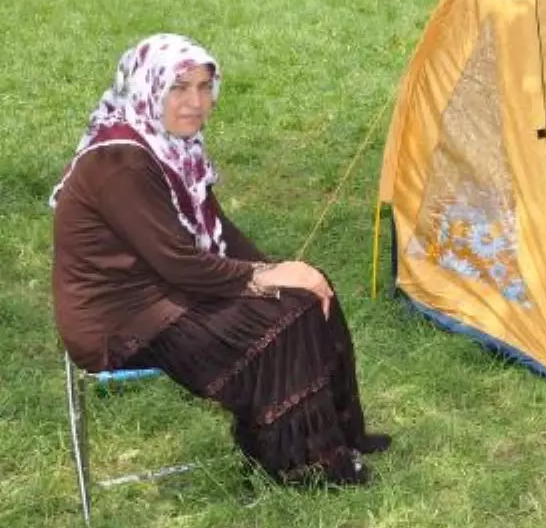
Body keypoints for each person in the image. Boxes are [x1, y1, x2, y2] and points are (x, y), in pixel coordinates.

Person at [50, 34, 389, 488]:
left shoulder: (171, 146)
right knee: (285, 316)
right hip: (122, 320)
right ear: (146, 89)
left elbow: (219, 232)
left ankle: (337, 439)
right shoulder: (120, 162)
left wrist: (282, 272)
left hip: (163, 291)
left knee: (306, 289)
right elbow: (178, 262)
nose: (196, 102)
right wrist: (265, 278)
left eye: (205, 87)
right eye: (179, 88)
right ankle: (303, 468)